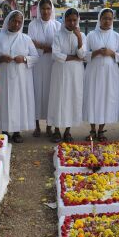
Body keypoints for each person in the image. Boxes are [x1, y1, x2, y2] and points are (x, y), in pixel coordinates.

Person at [0, 10, 38, 143]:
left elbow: (35, 57)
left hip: (21, 79)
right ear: (8, 21)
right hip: (4, 77)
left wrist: (24, 58)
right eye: (14, 21)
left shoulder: (26, 39)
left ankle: (17, 132)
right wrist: (0, 58)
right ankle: (5, 131)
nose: (17, 24)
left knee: (19, 103)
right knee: (4, 102)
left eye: (19, 22)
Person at [83, 8, 119, 141]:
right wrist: (96, 53)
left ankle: (101, 131)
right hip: (93, 72)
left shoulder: (117, 36)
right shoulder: (91, 35)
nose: (107, 21)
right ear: (100, 19)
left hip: (110, 74)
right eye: (105, 18)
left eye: (110, 18)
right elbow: (84, 54)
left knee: (106, 99)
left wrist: (111, 53)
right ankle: (92, 130)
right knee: (93, 98)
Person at [47, 8, 86, 143]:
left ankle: (68, 131)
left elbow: (82, 55)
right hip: (60, 72)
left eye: (74, 20)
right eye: (69, 20)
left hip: (75, 73)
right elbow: (55, 54)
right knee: (59, 99)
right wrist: (72, 57)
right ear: (64, 20)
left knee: (72, 99)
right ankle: (57, 130)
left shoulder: (82, 35)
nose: (72, 23)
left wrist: (79, 38)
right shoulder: (58, 35)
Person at [28, 0, 61, 137]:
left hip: (52, 64)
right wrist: (47, 47)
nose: (45, 11)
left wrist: (42, 46)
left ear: (51, 9)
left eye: (48, 9)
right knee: (36, 92)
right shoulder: (32, 25)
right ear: (39, 10)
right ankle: (36, 125)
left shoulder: (57, 25)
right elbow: (30, 44)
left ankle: (49, 125)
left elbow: (59, 46)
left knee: (49, 93)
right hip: (36, 63)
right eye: (43, 9)